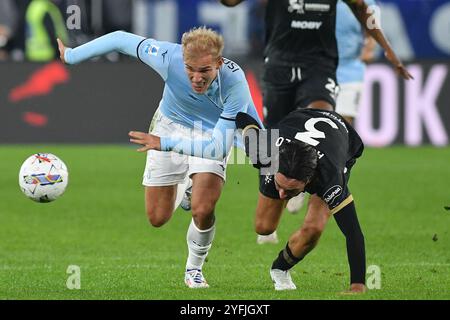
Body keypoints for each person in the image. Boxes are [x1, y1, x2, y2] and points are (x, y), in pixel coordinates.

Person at [57, 27, 263, 288]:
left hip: (209, 133)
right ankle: (188, 184)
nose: (196, 78)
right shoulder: (168, 56)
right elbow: (120, 39)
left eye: (204, 71)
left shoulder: (235, 83)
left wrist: (164, 144)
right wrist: (72, 56)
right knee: (157, 217)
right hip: (170, 124)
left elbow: (218, 148)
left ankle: (194, 268)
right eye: (190, 69)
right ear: (182, 59)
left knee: (203, 208)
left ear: (218, 63)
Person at [220, 0, 412, 241]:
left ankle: (304, 181)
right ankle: (280, 190)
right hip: (279, 64)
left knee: (322, 119)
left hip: (319, 66)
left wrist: (388, 48)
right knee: (271, 144)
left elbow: (363, 9)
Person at [235, 104, 366, 293]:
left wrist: (357, 285)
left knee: (314, 229)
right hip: (298, 121)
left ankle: (280, 268)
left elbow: (353, 232)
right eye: (280, 186)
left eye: (289, 192)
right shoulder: (264, 151)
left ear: (309, 181)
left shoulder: (330, 179)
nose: (282, 195)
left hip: (341, 143)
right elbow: (242, 116)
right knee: (264, 227)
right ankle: (288, 186)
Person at [335, 0, 377, 125]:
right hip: (315, 68)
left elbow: (373, 29)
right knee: (280, 118)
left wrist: (369, 48)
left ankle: (273, 143)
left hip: (350, 69)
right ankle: (273, 144)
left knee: (343, 124)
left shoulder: (365, 3)